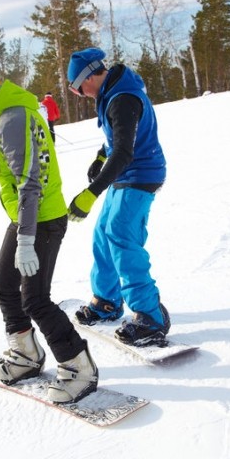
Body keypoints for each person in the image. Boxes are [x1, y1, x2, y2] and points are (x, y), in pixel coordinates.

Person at [0, 49, 98, 404]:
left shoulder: (13, 118)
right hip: (25, 218)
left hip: (41, 219)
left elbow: (29, 181)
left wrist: (25, 239)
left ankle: (79, 367)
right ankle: (27, 354)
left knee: (35, 300)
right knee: (3, 288)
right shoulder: (3, 115)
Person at [65, 47, 171, 347]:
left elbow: (125, 151)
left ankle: (151, 316)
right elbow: (117, 139)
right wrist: (101, 157)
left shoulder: (122, 98)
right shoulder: (114, 92)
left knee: (121, 236)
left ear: (88, 78)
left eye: (77, 88)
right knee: (103, 234)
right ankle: (108, 300)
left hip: (141, 174)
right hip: (127, 173)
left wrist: (91, 193)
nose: (80, 94)